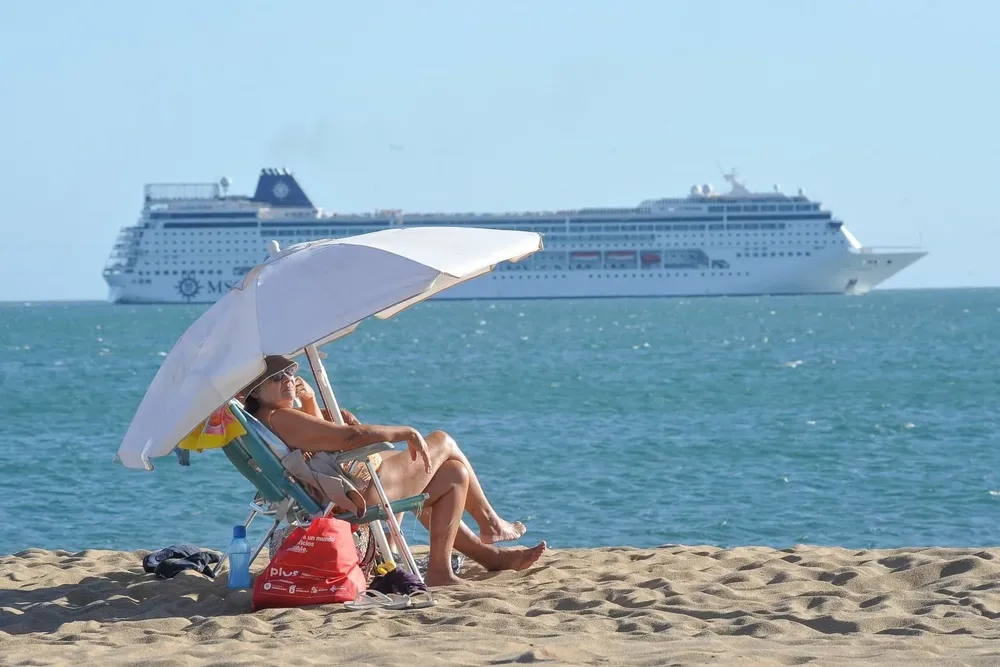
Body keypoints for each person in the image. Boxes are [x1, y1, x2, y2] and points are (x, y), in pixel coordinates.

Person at [241, 355, 546, 587]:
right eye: (276, 378)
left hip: (349, 487)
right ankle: (490, 523)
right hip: (363, 490)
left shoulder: (275, 417)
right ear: (255, 392)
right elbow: (348, 438)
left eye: (291, 371)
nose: (289, 379)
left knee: (454, 475)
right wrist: (404, 432)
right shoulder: (281, 418)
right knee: (443, 440)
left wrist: (308, 400)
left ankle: (453, 567)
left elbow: (321, 439)